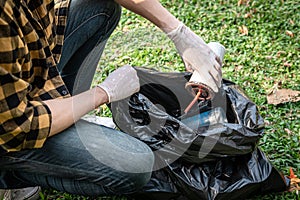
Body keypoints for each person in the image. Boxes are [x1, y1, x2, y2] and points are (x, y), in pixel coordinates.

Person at [0, 0, 222, 199]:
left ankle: (67, 117)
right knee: (136, 163)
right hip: (11, 131)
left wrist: (178, 32)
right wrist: (103, 93)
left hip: (25, 76)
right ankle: (13, 177)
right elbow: (17, 125)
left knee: (100, 8)